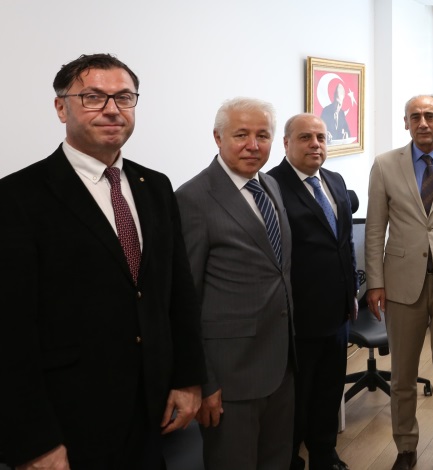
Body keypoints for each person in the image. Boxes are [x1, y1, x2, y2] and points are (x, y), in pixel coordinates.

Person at [0, 53, 205, 469]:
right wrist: (34, 441)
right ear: (61, 108)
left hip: (153, 408)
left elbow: (178, 293)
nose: (112, 109)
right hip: (70, 419)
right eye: (93, 97)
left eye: (124, 97)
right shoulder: (17, 197)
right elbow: (10, 330)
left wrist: (188, 380)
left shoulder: (155, 186)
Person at [175, 97, 294, 469]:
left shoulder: (270, 185)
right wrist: (204, 382)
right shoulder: (193, 198)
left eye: (263, 135)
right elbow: (183, 302)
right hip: (230, 378)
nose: (253, 145)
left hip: (281, 365)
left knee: (277, 461)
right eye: (241, 135)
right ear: (218, 137)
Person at [365, 94, 433, 470]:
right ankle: (405, 447)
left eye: (430, 115)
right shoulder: (385, 165)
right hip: (401, 283)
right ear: (406, 123)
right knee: (401, 375)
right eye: (415, 117)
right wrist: (375, 283)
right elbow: (375, 229)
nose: (423, 123)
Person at [267, 113, 357, 470]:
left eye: (321, 137)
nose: (315, 144)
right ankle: (290, 460)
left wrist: (352, 293)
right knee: (296, 398)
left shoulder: (334, 180)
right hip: (298, 316)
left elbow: (344, 243)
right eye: (305, 138)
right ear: (286, 143)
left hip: (337, 311)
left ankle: (325, 454)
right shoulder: (271, 186)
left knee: (329, 390)